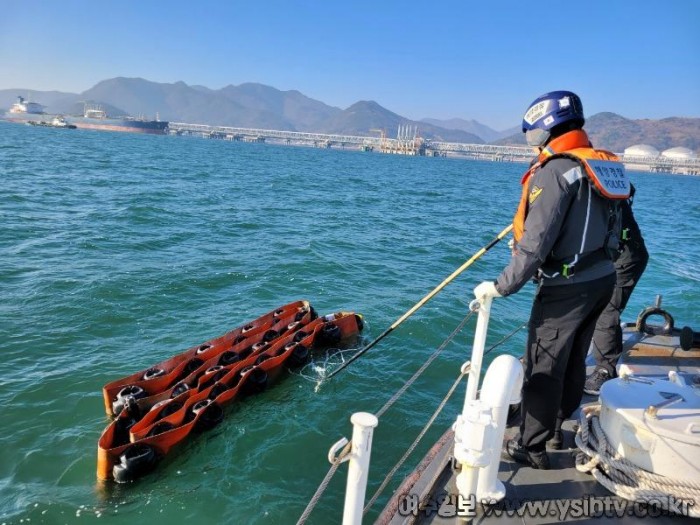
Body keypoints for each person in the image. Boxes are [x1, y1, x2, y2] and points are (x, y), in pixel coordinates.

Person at [474, 90, 630, 470]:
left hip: (566, 288)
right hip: (602, 278)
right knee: (575, 358)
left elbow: (535, 245)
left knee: (543, 366)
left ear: (544, 127)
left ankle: (532, 447)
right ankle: (557, 428)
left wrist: (499, 286)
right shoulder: (598, 163)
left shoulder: (556, 171)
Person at [583, 192, 648, 395]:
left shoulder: (596, 188)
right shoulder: (603, 183)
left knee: (606, 310)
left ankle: (605, 371)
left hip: (624, 259)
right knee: (596, 306)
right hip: (613, 254)